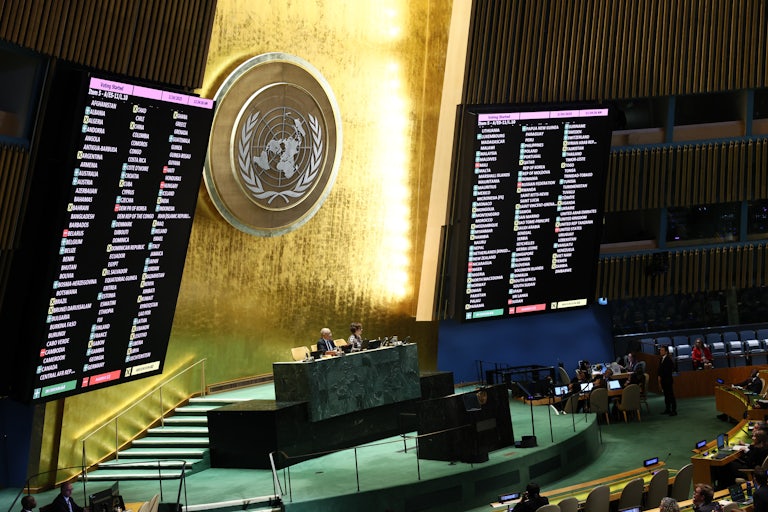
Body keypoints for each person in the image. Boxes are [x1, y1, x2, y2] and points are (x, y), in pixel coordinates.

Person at [658, 345, 677, 416]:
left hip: (668, 380)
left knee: (670, 395)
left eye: (662, 350)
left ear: (666, 352)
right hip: (663, 380)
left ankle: (674, 410)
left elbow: (668, 370)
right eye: (660, 350)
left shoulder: (668, 359)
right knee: (666, 395)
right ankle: (668, 409)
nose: (660, 351)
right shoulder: (661, 359)